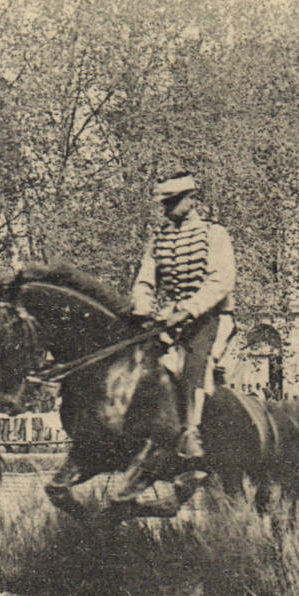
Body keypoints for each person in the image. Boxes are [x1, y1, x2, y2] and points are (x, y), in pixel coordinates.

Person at [131, 170, 236, 463]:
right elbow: (145, 280)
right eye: (164, 202)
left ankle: (191, 432)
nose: (166, 208)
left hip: (211, 317)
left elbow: (221, 281)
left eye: (172, 201)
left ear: (191, 199)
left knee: (194, 365)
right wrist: (142, 309)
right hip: (172, 320)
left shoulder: (214, 233)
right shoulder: (159, 238)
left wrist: (188, 309)